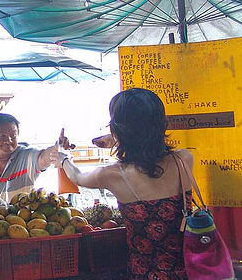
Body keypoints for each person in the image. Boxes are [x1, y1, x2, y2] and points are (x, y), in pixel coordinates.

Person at [51, 88, 193, 280]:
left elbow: (77, 177)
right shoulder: (184, 159)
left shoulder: (113, 175)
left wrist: (64, 159)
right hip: (191, 271)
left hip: (145, 274)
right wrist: (120, 139)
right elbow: (148, 144)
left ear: (117, 129)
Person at [0, 113, 66, 201]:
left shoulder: (27, 156)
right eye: (2, 136)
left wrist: (57, 147)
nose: (8, 140)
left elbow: (43, 158)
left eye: (13, 135)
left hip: (22, 220)